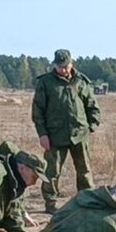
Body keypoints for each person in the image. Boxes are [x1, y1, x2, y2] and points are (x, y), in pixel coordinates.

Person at [32, 49, 101, 214]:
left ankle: (86, 201)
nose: (62, 70)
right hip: (55, 136)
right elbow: (38, 111)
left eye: (65, 66)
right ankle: (50, 204)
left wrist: (91, 126)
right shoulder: (45, 83)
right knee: (52, 172)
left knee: (84, 171)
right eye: (59, 66)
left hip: (79, 134)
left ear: (71, 64)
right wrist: (42, 134)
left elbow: (92, 106)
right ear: (54, 65)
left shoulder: (80, 81)